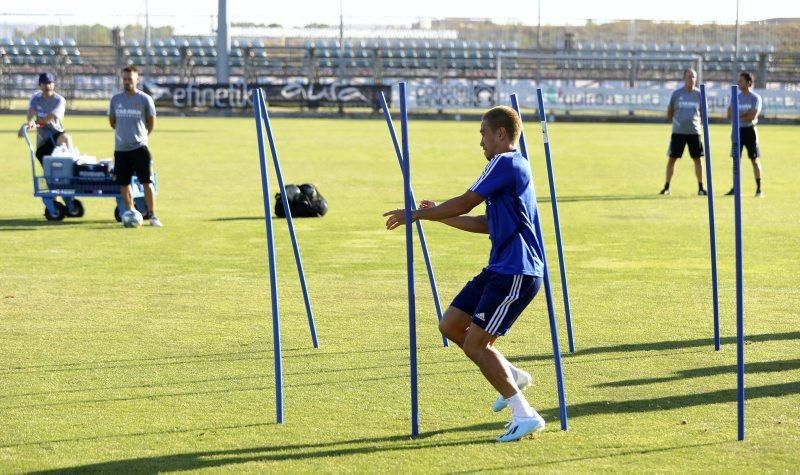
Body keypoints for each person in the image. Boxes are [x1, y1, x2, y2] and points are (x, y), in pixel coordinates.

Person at [383, 106, 545, 443]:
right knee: (451, 324)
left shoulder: (505, 163)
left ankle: (524, 413)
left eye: (484, 133)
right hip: (499, 267)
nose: (481, 141)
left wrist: (415, 214)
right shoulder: (505, 169)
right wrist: (435, 216)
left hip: (517, 271)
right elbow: (484, 223)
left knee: (475, 343)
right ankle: (511, 375)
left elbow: (466, 202)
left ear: (501, 134)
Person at [108, 65, 162, 227]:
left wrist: (141, 137)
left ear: (137, 79)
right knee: (124, 184)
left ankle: (152, 215)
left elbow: (151, 123)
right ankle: (131, 211)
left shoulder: (145, 99)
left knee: (146, 181)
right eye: (124, 79)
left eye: (130, 79)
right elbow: (112, 122)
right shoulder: (116, 99)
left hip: (140, 148)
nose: (127, 82)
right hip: (121, 149)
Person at [659, 68, 706, 196]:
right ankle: (667, 186)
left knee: (698, 160)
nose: (692, 79)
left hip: (694, 133)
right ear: (684, 78)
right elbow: (670, 110)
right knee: (672, 159)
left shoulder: (699, 95)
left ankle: (701, 187)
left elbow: (704, 114)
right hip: (678, 132)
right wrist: (674, 122)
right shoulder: (676, 94)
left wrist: (699, 124)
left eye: (694, 77)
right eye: (689, 77)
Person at [726, 71, 763, 197]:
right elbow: (729, 115)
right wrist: (743, 115)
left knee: (754, 159)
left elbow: (752, 116)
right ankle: (735, 188)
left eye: (741, 81)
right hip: (737, 131)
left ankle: (759, 188)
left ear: (749, 83)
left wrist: (739, 115)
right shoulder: (735, 97)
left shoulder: (755, 98)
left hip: (750, 131)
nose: (738, 83)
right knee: (736, 160)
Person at [24, 72, 73, 165]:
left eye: (50, 83)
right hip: (43, 142)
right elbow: (30, 114)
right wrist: (29, 122)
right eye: (44, 83)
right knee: (49, 173)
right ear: (40, 85)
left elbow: (48, 119)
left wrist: (34, 123)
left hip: (56, 134)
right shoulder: (35, 98)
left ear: (53, 84)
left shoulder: (59, 100)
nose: (48, 86)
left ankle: (73, 162)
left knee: (66, 138)